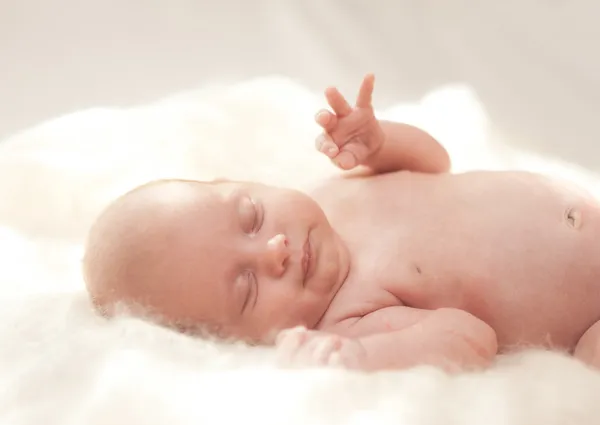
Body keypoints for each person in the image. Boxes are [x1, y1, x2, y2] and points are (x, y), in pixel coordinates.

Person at [83, 74, 600, 372]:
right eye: (246, 287)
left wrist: (381, 143)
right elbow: (470, 338)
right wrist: (363, 356)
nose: (274, 251)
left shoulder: (330, 193)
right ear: (235, 339)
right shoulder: (348, 317)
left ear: (244, 182)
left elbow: (434, 163)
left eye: (251, 217)